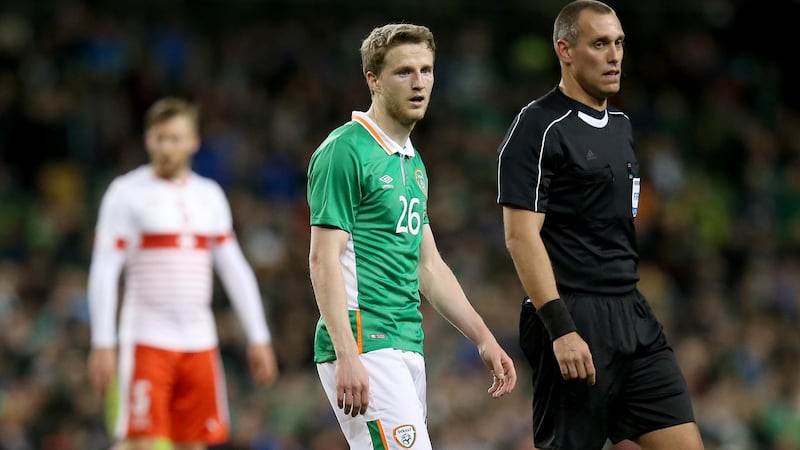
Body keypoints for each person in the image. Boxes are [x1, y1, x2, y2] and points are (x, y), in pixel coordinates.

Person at [496, 2, 705, 450]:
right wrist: (562, 328)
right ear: (565, 51)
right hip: (574, 316)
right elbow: (520, 236)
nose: (614, 55)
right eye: (599, 43)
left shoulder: (622, 126)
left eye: (618, 43)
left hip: (631, 313)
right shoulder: (538, 126)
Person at [307, 23, 517, 449]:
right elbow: (322, 258)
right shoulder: (345, 150)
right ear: (374, 80)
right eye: (404, 72)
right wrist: (348, 354)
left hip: (407, 342)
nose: (419, 82)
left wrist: (483, 337)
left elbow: (429, 266)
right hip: (365, 341)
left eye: (426, 70)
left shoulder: (413, 163)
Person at [86, 97, 279, 450]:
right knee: (142, 441)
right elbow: (104, 268)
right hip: (146, 336)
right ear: (148, 140)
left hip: (199, 339)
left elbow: (234, 267)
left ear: (194, 142)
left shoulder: (209, 195)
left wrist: (258, 335)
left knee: (195, 442)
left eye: (175, 138)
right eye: (159, 138)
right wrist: (103, 341)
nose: (166, 147)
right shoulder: (126, 193)